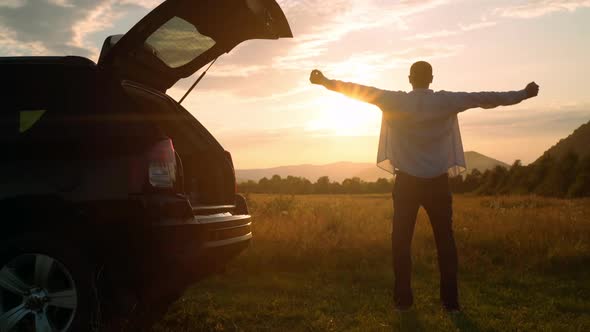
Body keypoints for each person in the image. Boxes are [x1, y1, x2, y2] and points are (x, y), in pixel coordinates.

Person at [309, 61, 539, 312]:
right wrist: (523, 94)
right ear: (431, 78)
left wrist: (325, 82)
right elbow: (486, 98)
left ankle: (403, 301)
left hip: (406, 182)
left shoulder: (394, 100)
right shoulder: (447, 101)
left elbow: (356, 89)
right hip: (438, 183)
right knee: (445, 242)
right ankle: (450, 302)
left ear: (410, 78)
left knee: (401, 242)